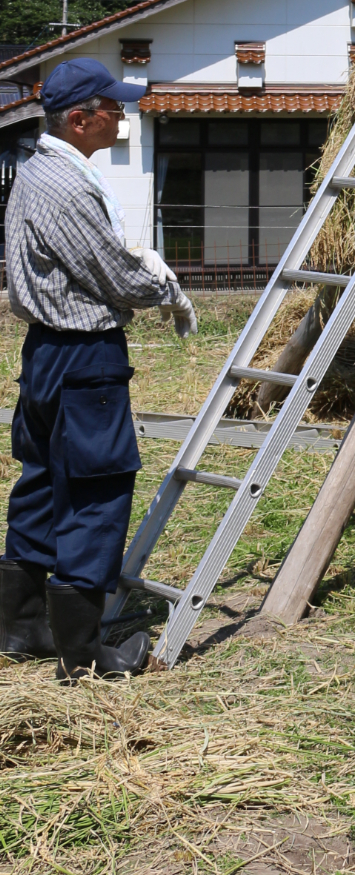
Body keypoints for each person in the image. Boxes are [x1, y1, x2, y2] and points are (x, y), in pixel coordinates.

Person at [1, 57, 198, 678]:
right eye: (113, 108)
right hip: (85, 354)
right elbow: (115, 275)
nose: (122, 115)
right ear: (81, 118)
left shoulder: (38, 173)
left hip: (45, 353)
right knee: (97, 488)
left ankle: (22, 626)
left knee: (42, 482)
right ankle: (85, 655)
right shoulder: (67, 185)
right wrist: (164, 284)